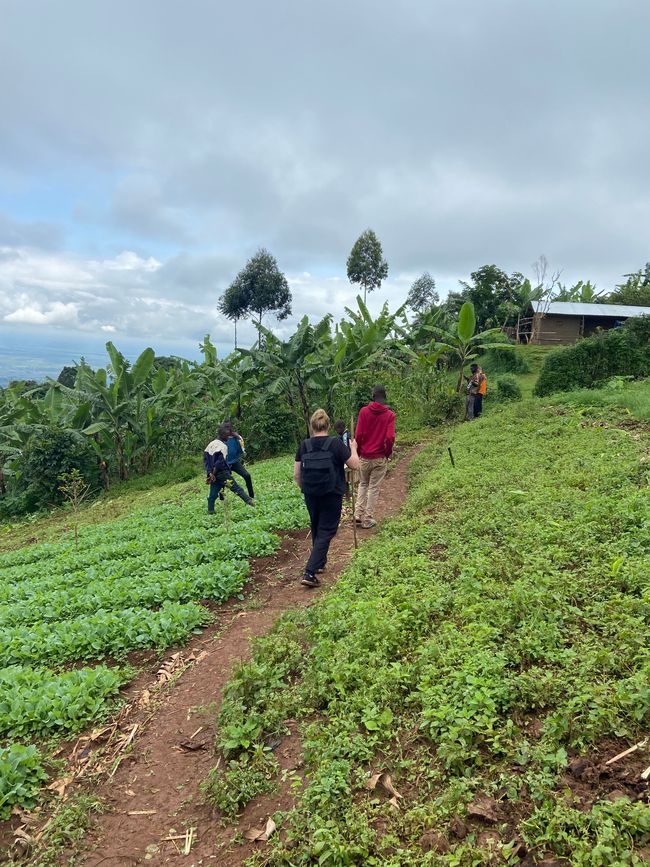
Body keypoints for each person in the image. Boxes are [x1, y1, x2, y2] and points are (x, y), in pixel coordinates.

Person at [294, 409, 359, 588]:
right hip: (331, 493)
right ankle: (310, 571)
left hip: (310, 494)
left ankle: (320, 563)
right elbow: (354, 465)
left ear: (312, 426)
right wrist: (353, 449)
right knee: (327, 530)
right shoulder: (335, 444)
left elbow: (297, 475)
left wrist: (306, 489)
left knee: (316, 526)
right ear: (328, 425)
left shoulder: (304, 445)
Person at [354, 385, 396, 529]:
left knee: (363, 484)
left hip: (364, 456)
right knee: (373, 488)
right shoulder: (389, 415)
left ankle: (357, 514)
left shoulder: (363, 412)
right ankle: (368, 518)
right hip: (379, 457)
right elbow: (390, 437)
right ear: (384, 398)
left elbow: (358, 435)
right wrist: (387, 452)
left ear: (373, 396)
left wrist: (359, 452)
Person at [204, 424, 255, 513]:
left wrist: (210, 474)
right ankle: (251, 502)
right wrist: (214, 473)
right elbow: (219, 463)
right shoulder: (223, 447)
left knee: (212, 495)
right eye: (227, 436)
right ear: (223, 435)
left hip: (214, 475)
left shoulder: (210, 444)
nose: (229, 438)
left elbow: (206, 460)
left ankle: (211, 511)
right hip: (222, 473)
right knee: (237, 488)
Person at [223, 422, 255, 501]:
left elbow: (240, 451)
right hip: (224, 464)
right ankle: (221, 497)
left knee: (247, 475)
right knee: (223, 481)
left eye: (229, 427)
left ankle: (251, 495)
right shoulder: (221, 439)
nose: (228, 429)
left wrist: (238, 439)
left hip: (234, 462)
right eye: (226, 427)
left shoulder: (236, 438)